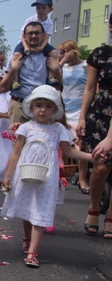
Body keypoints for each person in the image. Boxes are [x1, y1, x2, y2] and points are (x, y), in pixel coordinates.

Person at [1, 86, 92, 267]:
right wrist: (8, 175)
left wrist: (91, 157)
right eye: (39, 105)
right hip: (25, 172)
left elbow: (69, 151)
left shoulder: (58, 129)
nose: (43, 110)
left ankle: (33, 252)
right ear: (32, 107)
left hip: (48, 177)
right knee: (27, 207)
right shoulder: (25, 128)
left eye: (48, 106)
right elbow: (16, 152)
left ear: (55, 109)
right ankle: (27, 239)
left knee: (41, 211)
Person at [77, 13, 112, 237]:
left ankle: (110, 216)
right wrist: (82, 117)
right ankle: (94, 207)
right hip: (101, 113)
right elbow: (89, 88)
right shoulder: (99, 54)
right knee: (100, 166)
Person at [0, 22, 62, 124]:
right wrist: (14, 69)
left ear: (43, 35)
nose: (33, 36)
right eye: (30, 33)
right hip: (19, 108)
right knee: (18, 139)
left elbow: (59, 88)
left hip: (43, 110)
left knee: (41, 140)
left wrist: (56, 71)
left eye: (37, 33)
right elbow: (2, 88)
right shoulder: (15, 58)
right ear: (25, 36)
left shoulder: (50, 57)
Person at [58, 39, 89, 193]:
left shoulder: (85, 66)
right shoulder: (62, 66)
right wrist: (62, 61)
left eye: (65, 51)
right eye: (61, 52)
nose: (62, 54)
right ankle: (60, 176)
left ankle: (82, 179)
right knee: (62, 144)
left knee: (80, 144)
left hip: (79, 109)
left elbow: (91, 86)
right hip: (64, 109)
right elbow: (53, 77)